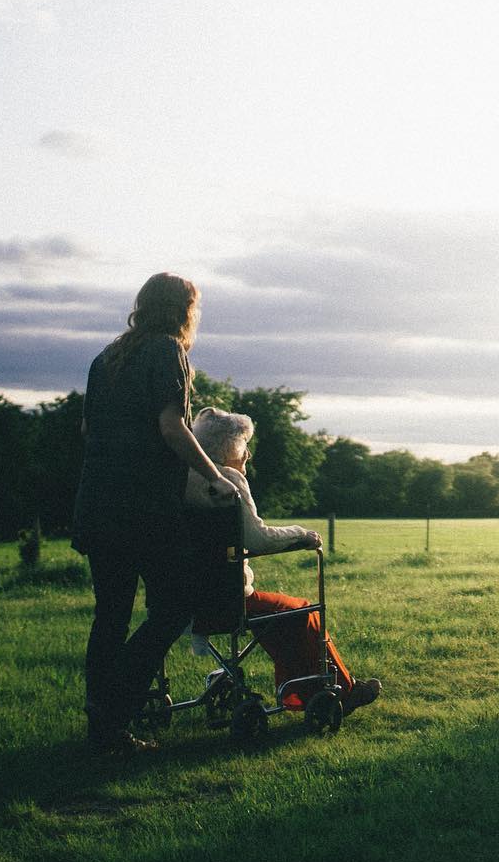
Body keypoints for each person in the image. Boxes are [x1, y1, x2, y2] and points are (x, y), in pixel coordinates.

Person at [72, 272, 239, 755]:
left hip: (97, 502)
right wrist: (214, 476)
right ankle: (115, 707)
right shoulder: (169, 352)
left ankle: (102, 724)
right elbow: (172, 427)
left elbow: (89, 428)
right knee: (174, 607)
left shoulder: (106, 357)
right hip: (142, 508)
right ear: (184, 309)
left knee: (111, 615)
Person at [185, 406, 382, 713]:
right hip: (227, 599)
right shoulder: (229, 481)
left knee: (280, 614)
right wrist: (301, 534)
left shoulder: (184, 480)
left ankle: (308, 691)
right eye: (244, 446)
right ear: (229, 448)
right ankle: (340, 692)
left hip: (184, 600)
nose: (248, 454)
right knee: (302, 612)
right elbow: (257, 539)